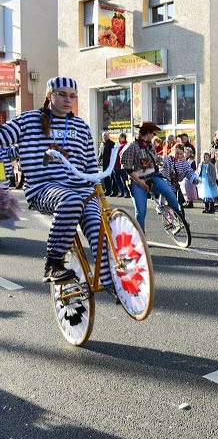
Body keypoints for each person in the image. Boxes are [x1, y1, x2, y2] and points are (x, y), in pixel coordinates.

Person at [0, 76, 116, 292]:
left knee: (99, 228)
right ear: (49, 95)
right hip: (44, 188)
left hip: (82, 188)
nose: (67, 100)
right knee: (71, 201)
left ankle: (112, 283)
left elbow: (90, 164)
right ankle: (53, 264)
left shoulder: (81, 126)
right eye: (61, 94)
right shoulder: (29, 120)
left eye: (72, 96)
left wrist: (98, 195)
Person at [120, 121, 184, 230]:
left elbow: (155, 159)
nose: (154, 135)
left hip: (153, 177)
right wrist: (140, 182)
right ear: (147, 133)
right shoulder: (131, 147)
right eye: (153, 133)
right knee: (141, 211)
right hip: (137, 181)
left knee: (169, 192)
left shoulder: (150, 146)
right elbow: (127, 168)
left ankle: (179, 218)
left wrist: (163, 160)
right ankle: (140, 237)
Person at [161, 143, 199, 217]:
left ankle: (179, 220)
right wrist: (162, 165)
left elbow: (188, 170)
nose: (178, 155)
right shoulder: (167, 159)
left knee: (175, 204)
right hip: (166, 183)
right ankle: (163, 208)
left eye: (181, 154)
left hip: (175, 186)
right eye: (177, 153)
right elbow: (162, 168)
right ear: (172, 151)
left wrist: (194, 178)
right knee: (167, 201)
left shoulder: (183, 162)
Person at [97, 132, 116, 196]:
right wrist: (99, 160)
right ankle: (107, 191)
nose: (105, 136)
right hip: (103, 163)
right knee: (105, 178)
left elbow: (114, 154)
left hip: (110, 163)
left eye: (106, 135)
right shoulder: (101, 144)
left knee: (112, 178)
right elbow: (100, 153)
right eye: (104, 135)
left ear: (108, 136)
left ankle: (114, 191)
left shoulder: (112, 144)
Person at [113, 133, 131, 198]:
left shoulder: (126, 145)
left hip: (122, 166)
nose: (118, 139)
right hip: (115, 165)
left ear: (123, 137)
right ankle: (122, 192)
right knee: (118, 180)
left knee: (124, 180)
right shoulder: (118, 145)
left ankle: (127, 192)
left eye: (119, 137)